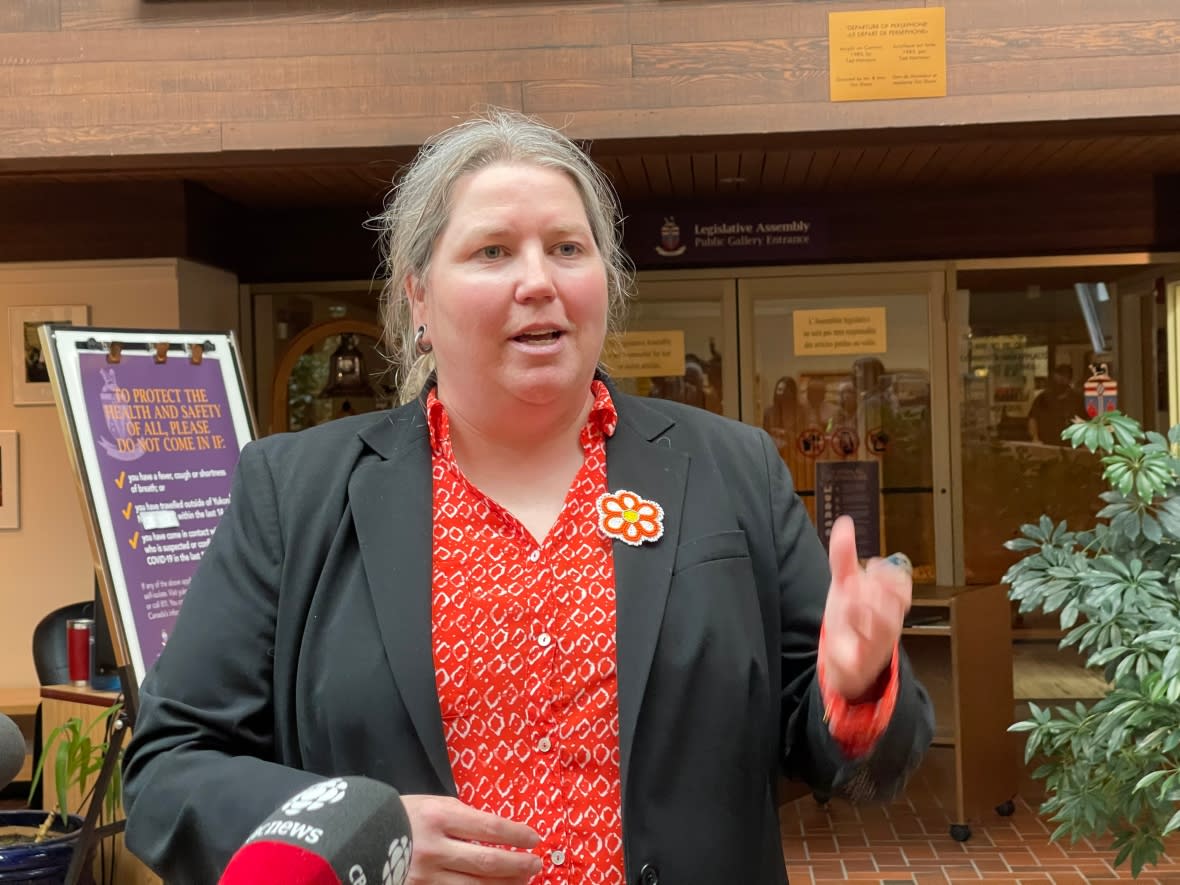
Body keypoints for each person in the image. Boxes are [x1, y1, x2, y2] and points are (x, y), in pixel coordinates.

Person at [122, 109, 933, 885]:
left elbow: (857, 755)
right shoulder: (293, 492)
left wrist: (857, 686)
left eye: (567, 248)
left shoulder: (729, 469)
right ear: (418, 301)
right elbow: (168, 769)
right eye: (493, 252)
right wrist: (358, 835)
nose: (538, 280)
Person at [1028, 364, 1085, 445]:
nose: (1060, 380)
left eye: (1063, 377)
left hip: (1070, 445)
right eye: (1058, 377)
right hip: (1046, 445)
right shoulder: (1043, 397)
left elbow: (1085, 422)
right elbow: (1033, 419)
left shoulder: (1077, 399)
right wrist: (1035, 438)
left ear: (1069, 379)